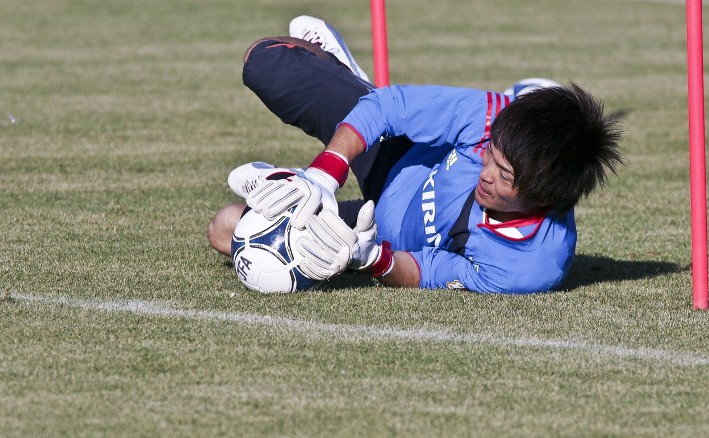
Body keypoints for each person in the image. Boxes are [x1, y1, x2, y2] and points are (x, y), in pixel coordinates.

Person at [208, 15, 624, 294]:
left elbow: (428, 271)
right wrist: (324, 175)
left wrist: (369, 258)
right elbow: (389, 108)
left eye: (504, 175)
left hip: (373, 231)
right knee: (264, 62)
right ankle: (346, 86)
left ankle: (294, 185)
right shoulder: (492, 116)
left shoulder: (530, 266)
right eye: (489, 155)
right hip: (399, 155)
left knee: (226, 231)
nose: (486, 173)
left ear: (545, 198)